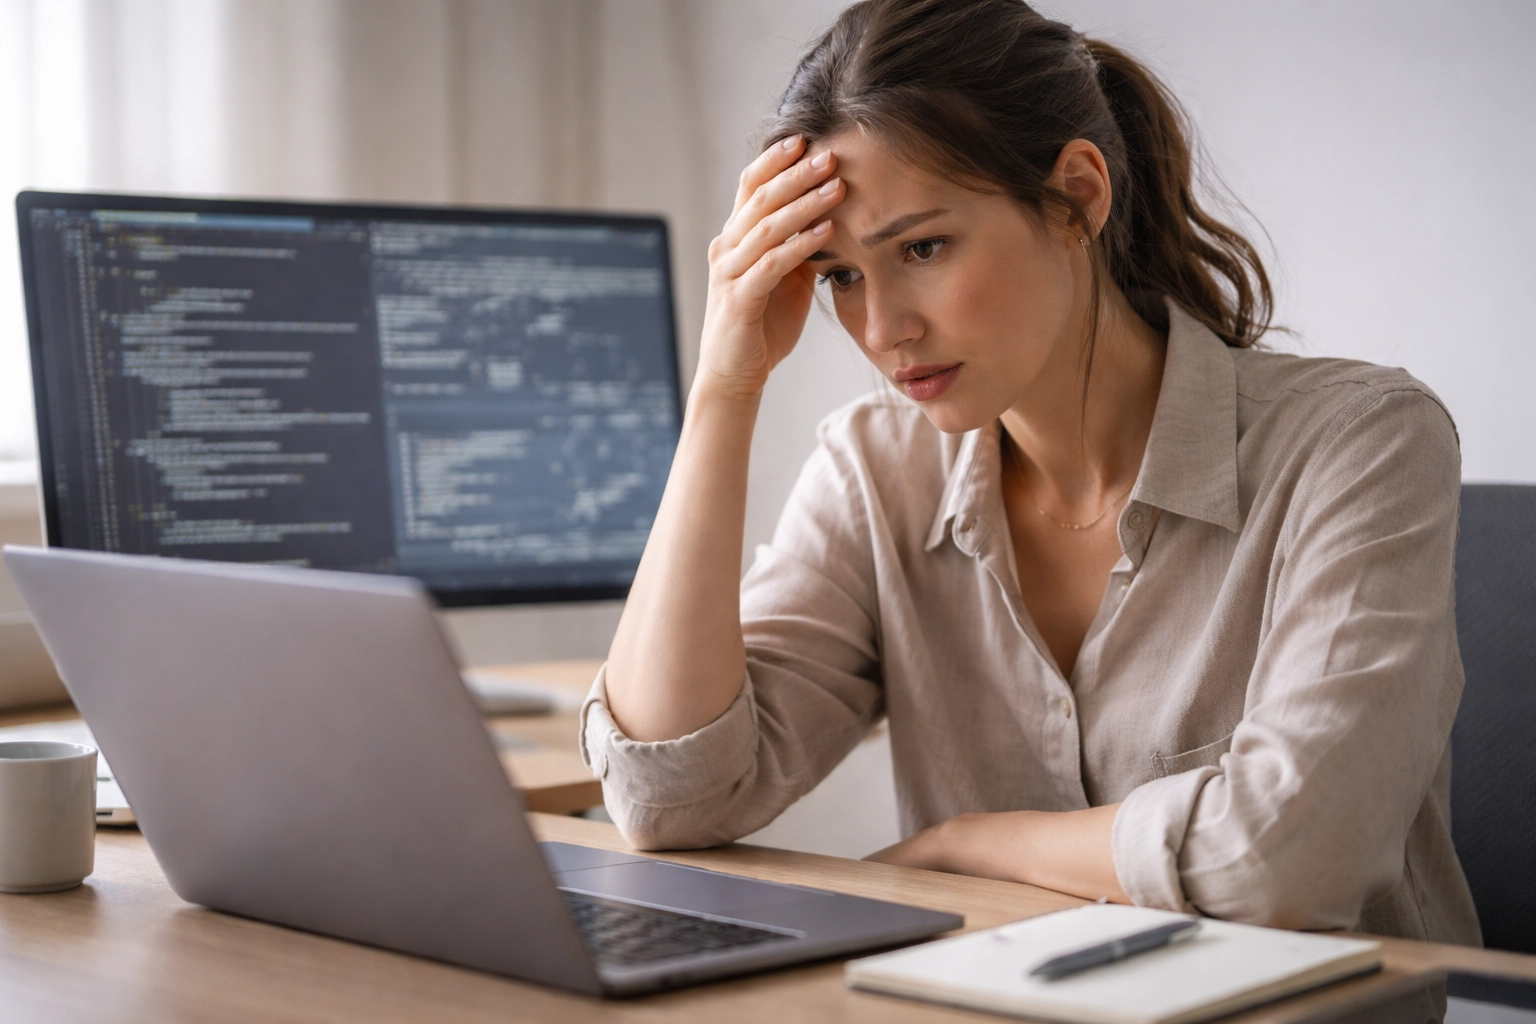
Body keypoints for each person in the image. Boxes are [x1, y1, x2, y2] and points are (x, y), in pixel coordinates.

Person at [580, 0, 1480, 944]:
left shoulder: (1362, 442)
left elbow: (1290, 859)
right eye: (840, 274)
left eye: (922, 248)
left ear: (1077, 198)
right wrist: (726, 385)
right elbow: (666, 799)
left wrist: (972, 843)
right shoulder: (874, 474)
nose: (882, 330)